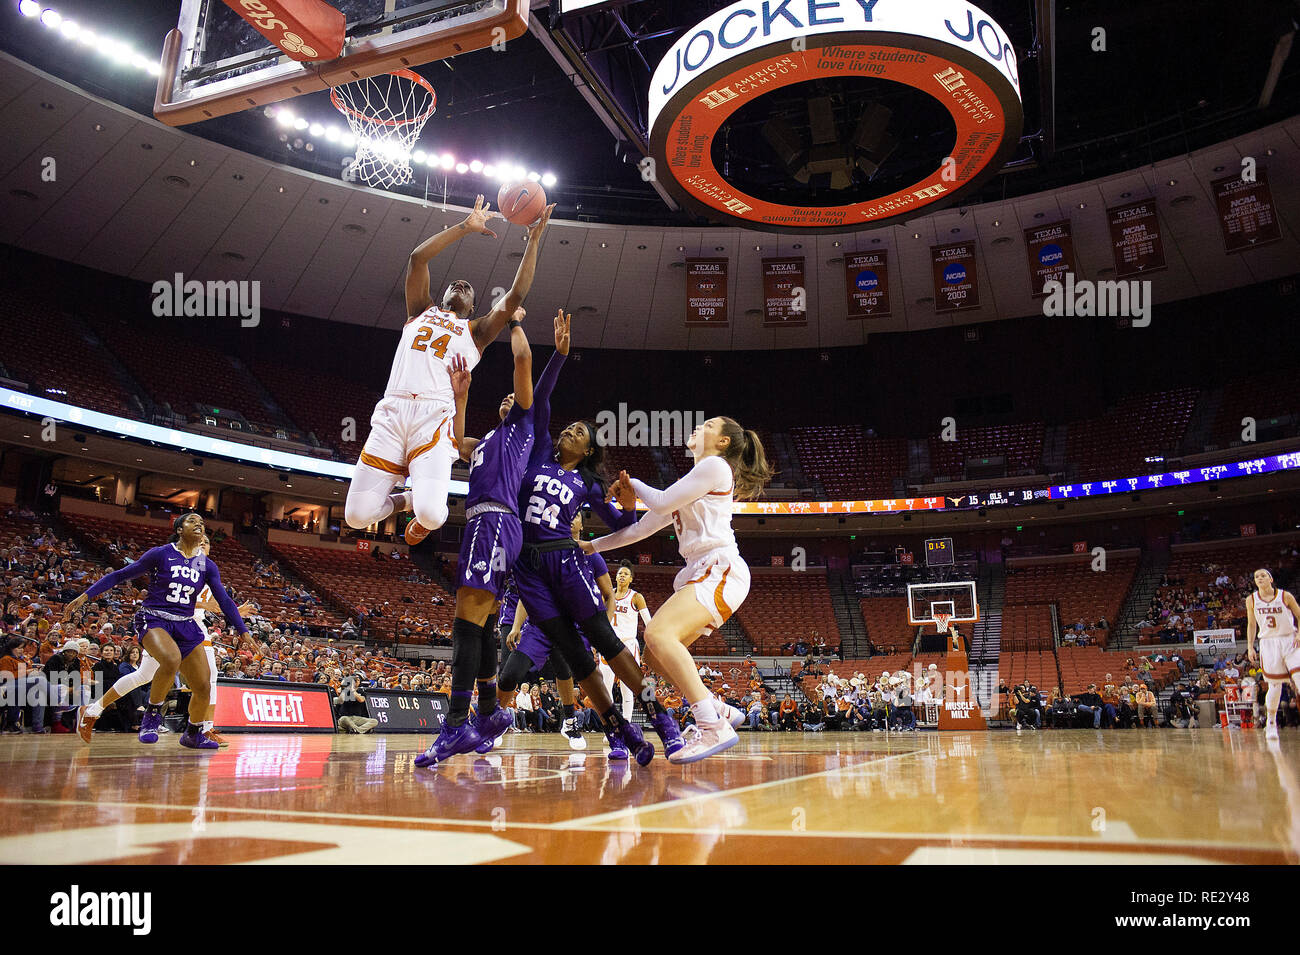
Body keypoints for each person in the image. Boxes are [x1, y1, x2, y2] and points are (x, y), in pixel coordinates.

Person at [343, 196, 552, 546]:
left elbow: (516, 294)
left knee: (431, 516)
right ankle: (405, 498)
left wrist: (533, 239)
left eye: (468, 290)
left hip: (435, 418)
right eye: (455, 285)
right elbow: (417, 258)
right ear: (442, 296)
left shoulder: (477, 332)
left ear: (472, 306)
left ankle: (421, 508)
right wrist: (464, 228)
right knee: (356, 517)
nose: (461, 287)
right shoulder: (419, 310)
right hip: (392, 412)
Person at [412, 309, 564, 766]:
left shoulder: (521, 425)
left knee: (464, 620)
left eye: (512, 398)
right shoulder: (484, 442)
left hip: (494, 520)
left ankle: (457, 722)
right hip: (488, 524)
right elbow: (454, 443)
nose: (506, 399)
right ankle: (489, 714)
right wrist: (461, 396)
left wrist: (516, 319)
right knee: (479, 624)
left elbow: (521, 362)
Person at [581, 416, 773, 762]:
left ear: (723, 442)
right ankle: (717, 708)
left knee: (658, 632)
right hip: (702, 571)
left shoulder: (716, 466)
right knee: (654, 655)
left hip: (720, 568)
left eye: (709, 425)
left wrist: (633, 483)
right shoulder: (693, 479)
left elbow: (661, 501)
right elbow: (639, 530)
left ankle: (711, 725)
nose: (699, 426)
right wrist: (590, 546)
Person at [63, 513, 248, 751]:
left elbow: (224, 601)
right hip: (156, 621)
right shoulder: (162, 554)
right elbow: (120, 575)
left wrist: (242, 629)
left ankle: (194, 730)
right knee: (169, 663)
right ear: (179, 529)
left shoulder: (206, 566)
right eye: (193, 522)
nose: (200, 530)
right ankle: (154, 718)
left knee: (182, 680)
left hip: (187, 627)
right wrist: (85, 595)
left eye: (204, 529)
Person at [1246, 567, 1300, 740]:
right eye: (1256, 576)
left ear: (1270, 579)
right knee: (1275, 686)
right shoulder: (1251, 600)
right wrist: (1250, 646)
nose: (1259, 578)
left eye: (1263, 575)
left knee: (1299, 679)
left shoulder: (1285, 596)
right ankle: (1270, 722)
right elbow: (1252, 624)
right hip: (1268, 643)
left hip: (1289, 639)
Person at [607, 560, 652, 723]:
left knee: (626, 688)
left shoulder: (636, 597)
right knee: (606, 688)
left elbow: (649, 623)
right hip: (609, 643)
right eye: (620, 573)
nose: (622, 576)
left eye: (625, 574)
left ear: (631, 578)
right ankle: (611, 725)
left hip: (628, 645)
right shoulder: (609, 594)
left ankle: (626, 724)